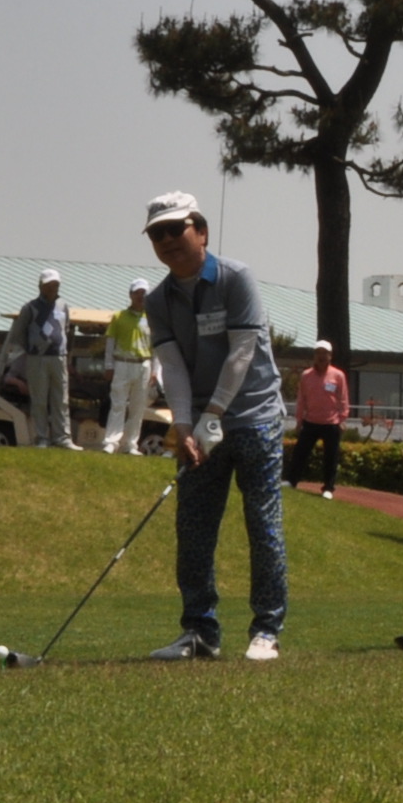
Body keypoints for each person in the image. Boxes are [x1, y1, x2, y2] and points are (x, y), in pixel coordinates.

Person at [140, 194, 287, 661]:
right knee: (194, 528)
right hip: (201, 424)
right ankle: (200, 631)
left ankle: (266, 630)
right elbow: (172, 366)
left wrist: (212, 415)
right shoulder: (158, 300)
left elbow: (242, 352)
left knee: (262, 525)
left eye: (175, 229)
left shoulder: (235, 278)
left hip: (255, 417)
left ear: (200, 231)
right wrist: (184, 426)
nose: (166, 240)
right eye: (156, 234)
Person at [4, 270, 74, 449]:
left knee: (61, 399)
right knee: (39, 399)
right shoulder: (30, 307)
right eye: (49, 284)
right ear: (41, 286)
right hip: (37, 358)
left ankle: (62, 437)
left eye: (55, 284)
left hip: (59, 357)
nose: (52, 287)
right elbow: (19, 333)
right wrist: (32, 349)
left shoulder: (63, 305)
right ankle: (42, 437)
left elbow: (66, 329)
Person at [102, 279, 159, 455]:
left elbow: (156, 347)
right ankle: (111, 442)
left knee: (138, 407)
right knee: (118, 404)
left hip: (144, 364)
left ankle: (130, 444)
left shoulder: (152, 318)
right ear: (130, 295)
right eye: (137, 293)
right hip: (122, 362)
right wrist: (109, 366)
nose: (140, 296)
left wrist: (155, 370)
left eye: (144, 293)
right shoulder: (119, 316)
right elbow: (110, 343)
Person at [288, 339, 348, 495]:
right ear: (314, 356)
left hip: (331, 423)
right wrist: (299, 420)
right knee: (300, 453)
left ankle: (328, 488)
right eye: (318, 353)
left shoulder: (338, 375)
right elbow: (301, 399)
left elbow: (343, 399)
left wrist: (342, 419)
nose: (321, 356)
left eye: (325, 353)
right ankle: (291, 481)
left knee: (331, 457)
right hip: (310, 421)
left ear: (330, 356)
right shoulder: (306, 375)